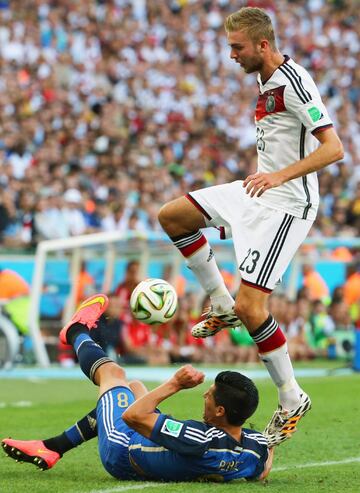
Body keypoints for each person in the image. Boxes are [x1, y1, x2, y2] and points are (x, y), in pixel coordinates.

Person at [158, 6, 344, 447]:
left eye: (237, 48)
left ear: (263, 44)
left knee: (253, 309)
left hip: (288, 204)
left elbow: (334, 149)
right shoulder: (262, 81)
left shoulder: (295, 81)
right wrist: (258, 182)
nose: (231, 56)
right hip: (256, 192)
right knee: (174, 216)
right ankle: (219, 303)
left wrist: (278, 176)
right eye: (229, 48)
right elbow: (278, 146)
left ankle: (292, 395)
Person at [2, 294, 273, 482]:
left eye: (210, 396)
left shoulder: (197, 438)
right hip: (149, 452)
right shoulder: (253, 447)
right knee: (134, 386)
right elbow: (264, 463)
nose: (204, 394)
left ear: (220, 411)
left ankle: (75, 331)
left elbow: (131, 417)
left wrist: (174, 384)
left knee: (114, 374)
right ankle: (52, 447)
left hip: (123, 449)